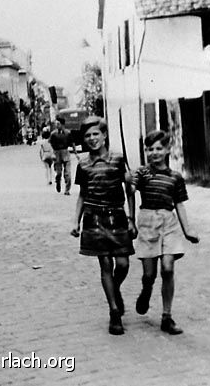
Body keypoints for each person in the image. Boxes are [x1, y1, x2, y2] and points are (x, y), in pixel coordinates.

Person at [71, 116, 137, 335]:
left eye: (95, 134)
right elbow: (82, 194)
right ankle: (114, 312)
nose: (92, 139)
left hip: (117, 217)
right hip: (94, 219)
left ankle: (115, 289)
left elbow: (129, 190)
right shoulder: (82, 163)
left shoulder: (118, 159)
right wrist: (76, 221)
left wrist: (131, 219)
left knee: (124, 264)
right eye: (88, 135)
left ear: (105, 135)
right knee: (106, 265)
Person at [130, 130, 200, 335]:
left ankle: (166, 317)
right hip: (147, 222)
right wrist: (130, 218)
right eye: (150, 149)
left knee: (168, 269)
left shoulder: (175, 177)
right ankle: (146, 289)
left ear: (167, 149)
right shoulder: (142, 173)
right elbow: (131, 191)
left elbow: (179, 204)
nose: (154, 153)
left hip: (168, 223)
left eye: (159, 148)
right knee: (149, 274)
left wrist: (187, 230)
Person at [49, 117, 79, 195]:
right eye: (56, 124)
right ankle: (58, 182)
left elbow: (72, 143)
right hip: (57, 154)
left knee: (68, 173)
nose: (56, 125)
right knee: (58, 173)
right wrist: (52, 153)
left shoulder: (68, 133)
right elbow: (50, 144)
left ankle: (67, 189)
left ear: (62, 124)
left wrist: (76, 153)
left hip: (65, 153)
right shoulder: (53, 134)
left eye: (58, 124)